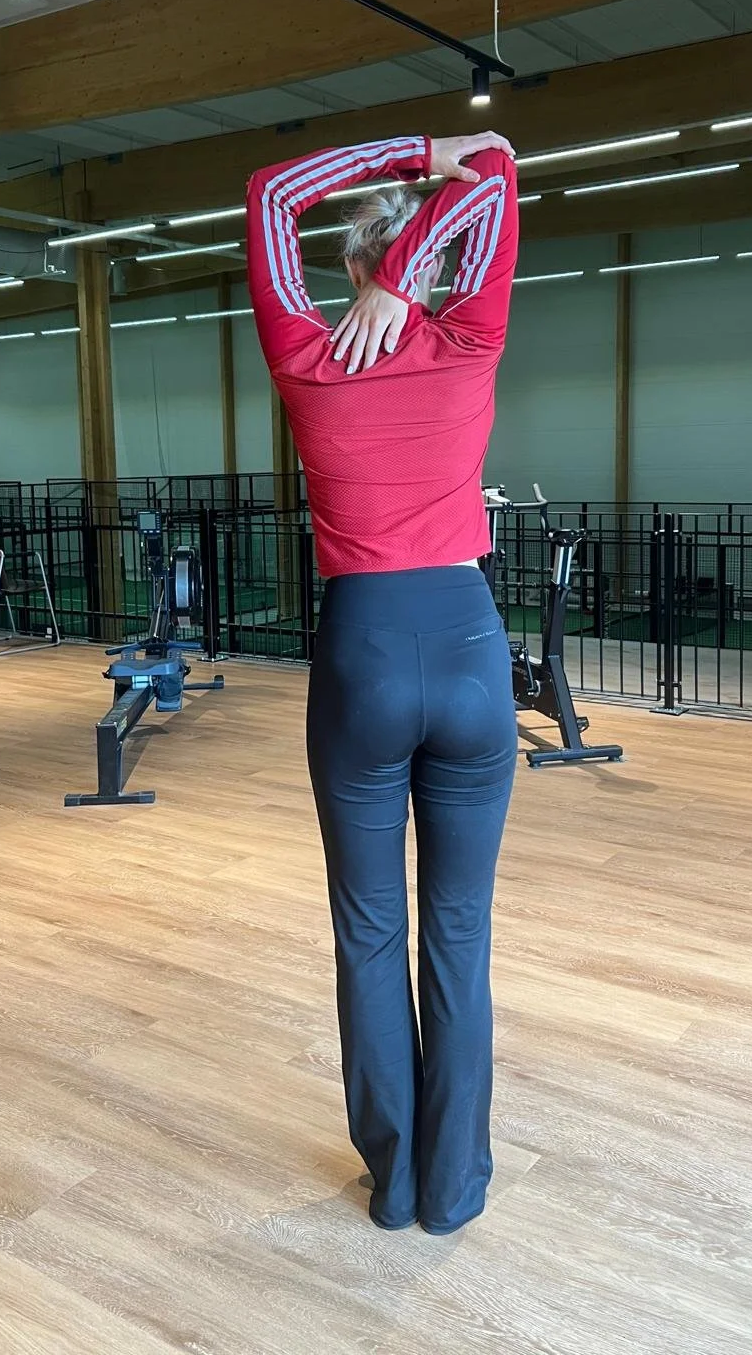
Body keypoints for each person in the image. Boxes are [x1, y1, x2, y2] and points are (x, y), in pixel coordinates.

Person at [245, 130, 520, 1236]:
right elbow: (498, 171)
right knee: (459, 931)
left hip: (362, 649)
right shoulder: (470, 337)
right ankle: (454, 1189)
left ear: (347, 265)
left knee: (368, 930)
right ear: (430, 261)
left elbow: (271, 193)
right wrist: (416, 266)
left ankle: (397, 1183)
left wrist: (413, 156)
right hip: (468, 646)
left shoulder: (306, 356)